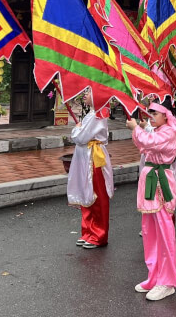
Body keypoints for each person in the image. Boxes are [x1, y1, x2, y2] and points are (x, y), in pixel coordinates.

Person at [127, 102, 176, 301]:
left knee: (164, 230)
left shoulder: (169, 132)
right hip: (151, 180)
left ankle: (167, 281)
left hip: (161, 182)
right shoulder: (159, 130)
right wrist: (141, 129)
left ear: (166, 115)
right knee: (149, 231)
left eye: (155, 113)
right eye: (150, 112)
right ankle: (154, 276)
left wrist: (136, 128)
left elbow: (149, 142)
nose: (151, 115)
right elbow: (145, 142)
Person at [67, 89, 112, 248]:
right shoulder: (92, 113)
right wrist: (78, 129)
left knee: (96, 195)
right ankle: (88, 231)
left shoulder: (98, 114)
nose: (84, 94)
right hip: (85, 156)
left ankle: (98, 234)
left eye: (89, 91)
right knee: (85, 192)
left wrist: (76, 129)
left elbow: (80, 137)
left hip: (94, 158)